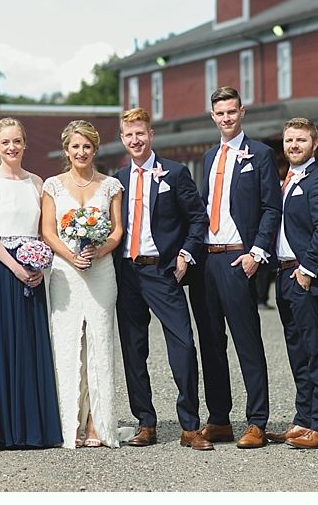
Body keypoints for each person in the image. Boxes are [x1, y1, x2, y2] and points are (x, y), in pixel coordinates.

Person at [115, 108, 211, 451]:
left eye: (140, 133)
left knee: (183, 345)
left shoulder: (174, 173)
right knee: (133, 349)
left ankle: (189, 426)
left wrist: (185, 256)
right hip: (126, 272)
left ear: (151, 135)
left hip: (163, 270)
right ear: (122, 139)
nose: (135, 140)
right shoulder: (118, 180)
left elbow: (198, 220)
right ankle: (146, 422)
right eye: (129, 135)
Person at [190, 86, 281, 449]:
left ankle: (257, 421)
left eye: (232, 111)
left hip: (237, 258)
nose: (226, 117)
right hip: (208, 260)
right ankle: (219, 418)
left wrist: (256, 254)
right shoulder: (210, 156)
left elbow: (272, 208)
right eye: (220, 113)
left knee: (247, 341)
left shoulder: (259, 154)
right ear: (212, 116)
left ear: (241, 112)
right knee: (211, 343)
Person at [0, 118, 63, 449]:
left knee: (28, 344)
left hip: (32, 265)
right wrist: (14, 267)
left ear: (25, 144)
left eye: (17, 141)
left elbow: (45, 229)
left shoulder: (38, 182)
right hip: (0, 267)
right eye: (5, 142)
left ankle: (31, 426)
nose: (12, 147)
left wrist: (39, 262)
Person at [41, 120, 124, 448]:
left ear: (95, 149)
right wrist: (71, 256)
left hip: (101, 273)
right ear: (66, 150)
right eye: (75, 147)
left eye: (87, 146)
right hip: (65, 273)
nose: (81, 152)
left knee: (100, 343)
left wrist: (100, 250)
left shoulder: (110, 186)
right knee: (66, 344)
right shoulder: (53, 186)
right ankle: (69, 422)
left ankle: (97, 424)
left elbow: (117, 231)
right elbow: (48, 231)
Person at [266, 118, 318, 450]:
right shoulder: (286, 180)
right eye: (289, 140)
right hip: (283, 275)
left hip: (304, 276)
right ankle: (303, 419)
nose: (294, 145)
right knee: (298, 352)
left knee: (316, 350)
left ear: (315, 144)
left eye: (300, 140)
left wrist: (308, 268)